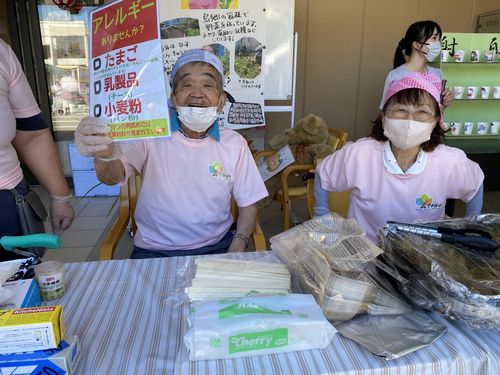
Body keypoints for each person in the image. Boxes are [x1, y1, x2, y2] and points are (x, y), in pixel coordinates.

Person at [75, 49, 268, 258]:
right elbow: (111, 177)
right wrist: (103, 153)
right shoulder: (150, 135)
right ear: (173, 98)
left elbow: (249, 204)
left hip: (217, 247)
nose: (197, 93)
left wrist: (238, 244)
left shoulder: (235, 144)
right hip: (154, 250)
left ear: (221, 101)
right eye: (187, 85)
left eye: (207, 85)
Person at [315, 72, 484, 242]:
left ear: (435, 122)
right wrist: (321, 215)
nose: (410, 120)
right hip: (367, 257)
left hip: (423, 258)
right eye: (401, 110)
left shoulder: (449, 161)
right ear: (384, 118)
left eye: (422, 112)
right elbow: (323, 174)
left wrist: (470, 229)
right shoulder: (359, 154)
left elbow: (475, 185)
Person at [0, 39, 74, 260]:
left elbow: (32, 134)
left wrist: (60, 196)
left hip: (7, 201)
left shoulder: (2, 53)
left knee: (19, 289)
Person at [380, 20, 453, 110]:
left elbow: (437, 111)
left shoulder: (437, 74)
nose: (438, 44)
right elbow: (386, 110)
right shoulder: (396, 75)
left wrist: (444, 104)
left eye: (439, 40)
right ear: (416, 45)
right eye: (434, 38)